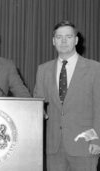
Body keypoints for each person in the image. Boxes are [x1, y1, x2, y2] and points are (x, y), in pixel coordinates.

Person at [34, 20, 100, 171]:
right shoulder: (43, 70)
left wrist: (98, 140)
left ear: (76, 40)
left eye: (68, 37)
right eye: (59, 37)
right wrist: (40, 111)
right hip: (53, 146)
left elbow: (99, 106)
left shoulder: (95, 68)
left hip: (85, 145)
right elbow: (39, 102)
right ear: (53, 41)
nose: (63, 41)